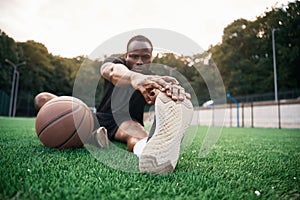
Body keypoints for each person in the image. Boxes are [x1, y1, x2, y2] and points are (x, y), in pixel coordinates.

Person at [34, 35, 193, 174]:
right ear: (126, 55)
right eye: (134, 56)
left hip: (126, 122)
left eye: (145, 57)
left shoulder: (152, 79)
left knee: (136, 134)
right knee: (43, 98)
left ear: (152, 57)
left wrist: (167, 93)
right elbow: (111, 71)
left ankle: (151, 153)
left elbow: (158, 93)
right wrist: (134, 78)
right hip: (97, 117)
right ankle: (94, 134)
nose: (139, 61)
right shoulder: (115, 63)